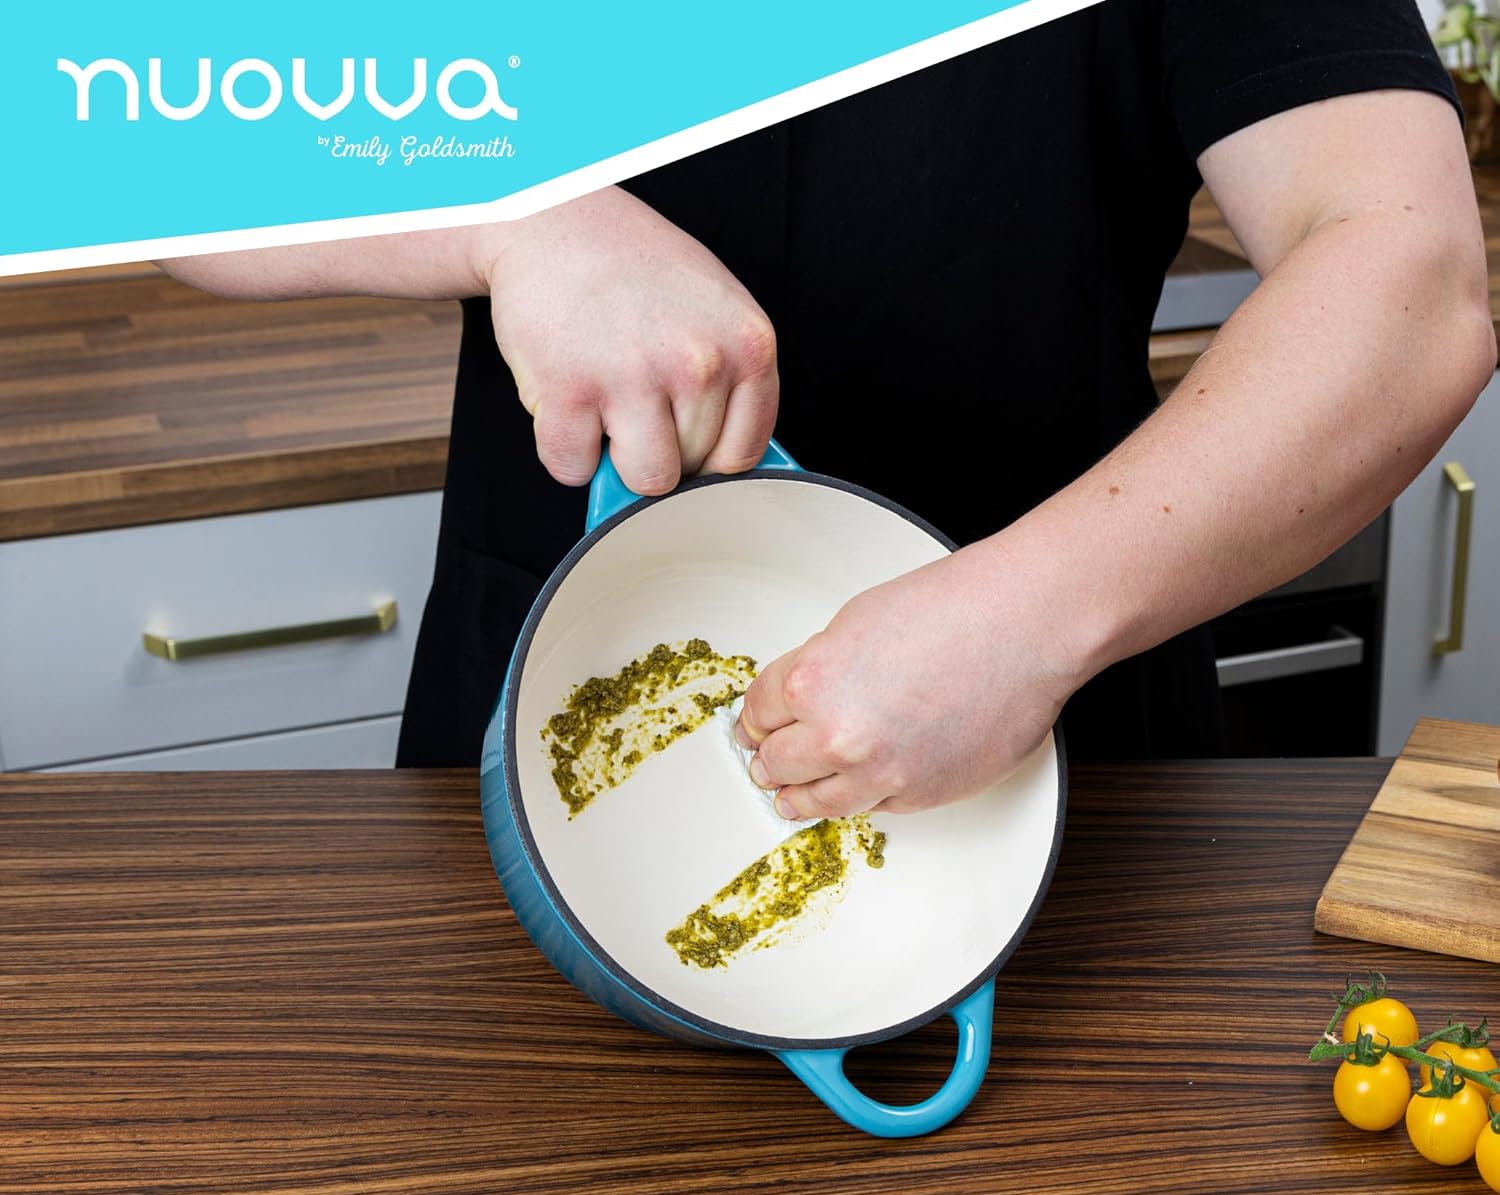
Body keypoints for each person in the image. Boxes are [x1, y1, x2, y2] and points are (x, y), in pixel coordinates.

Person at [163, 1, 1494, 821]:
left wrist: (1018, 622)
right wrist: (515, 220)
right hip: (545, 722)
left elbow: (1415, 285)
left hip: (1053, 763)